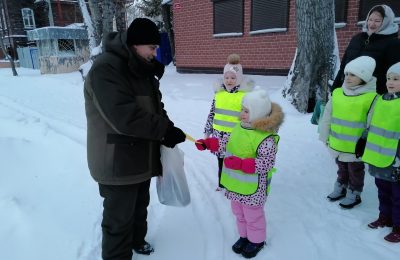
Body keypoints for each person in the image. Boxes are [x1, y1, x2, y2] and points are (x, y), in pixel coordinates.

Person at [83, 18, 186, 260]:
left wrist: (168, 128)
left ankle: (137, 240)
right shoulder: (105, 69)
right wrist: (162, 130)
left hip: (140, 155)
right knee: (118, 218)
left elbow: (155, 108)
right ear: (136, 44)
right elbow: (123, 116)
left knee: (140, 206)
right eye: (151, 47)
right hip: (117, 160)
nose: (155, 52)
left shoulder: (142, 68)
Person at [217, 90, 283, 258]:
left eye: (246, 111)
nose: (242, 114)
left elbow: (266, 164)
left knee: (253, 216)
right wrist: (211, 144)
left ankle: (257, 241)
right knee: (239, 213)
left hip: (253, 189)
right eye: (242, 109)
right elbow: (227, 143)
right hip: (236, 186)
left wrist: (241, 163)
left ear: (258, 113)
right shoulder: (238, 127)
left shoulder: (265, 138)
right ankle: (244, 237)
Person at [319, 56, 377, 209]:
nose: (348, 78)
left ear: (364, 77)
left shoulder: (371, 98)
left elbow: (371, 124)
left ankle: (354, 192)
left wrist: (367, 143)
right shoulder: (337, 93)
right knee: (342, 167)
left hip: (356, 146)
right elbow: (327, 115)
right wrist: (324, 135)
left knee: (355, 170)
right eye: (346, 74)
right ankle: (341, 186)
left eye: (353, 75)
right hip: (337, 142)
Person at [196, 54, 254, 190]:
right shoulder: (219, 94)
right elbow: (212, 113)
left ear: (239, 78)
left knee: (233, 159)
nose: (229, 80)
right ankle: (222, 183)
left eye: (233, 77)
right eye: (226, 77)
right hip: (218, 134)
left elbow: (249, 116)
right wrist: (207, 132)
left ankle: (234, 183)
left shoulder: (244, 96)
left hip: (235, 135)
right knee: (220, 160)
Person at [358, 62, 400, 243]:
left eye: (396, 79)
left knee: (398, 195)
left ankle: (398, 225)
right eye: (389, 78)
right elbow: (371, 123)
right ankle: (385, 216)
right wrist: (363, 141)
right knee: (382, 190)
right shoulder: (380, 99)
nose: (390, 82)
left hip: (396, 159)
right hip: (378, 157)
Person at [332, 4, 400, 95]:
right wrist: (334, 90)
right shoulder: (356, 39)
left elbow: (393, 74)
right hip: (347, 93)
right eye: (370, 19)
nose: (372, 24)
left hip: (372, 95)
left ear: (386, 22)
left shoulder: (393, 44)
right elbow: (343, 68)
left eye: (377, 21)